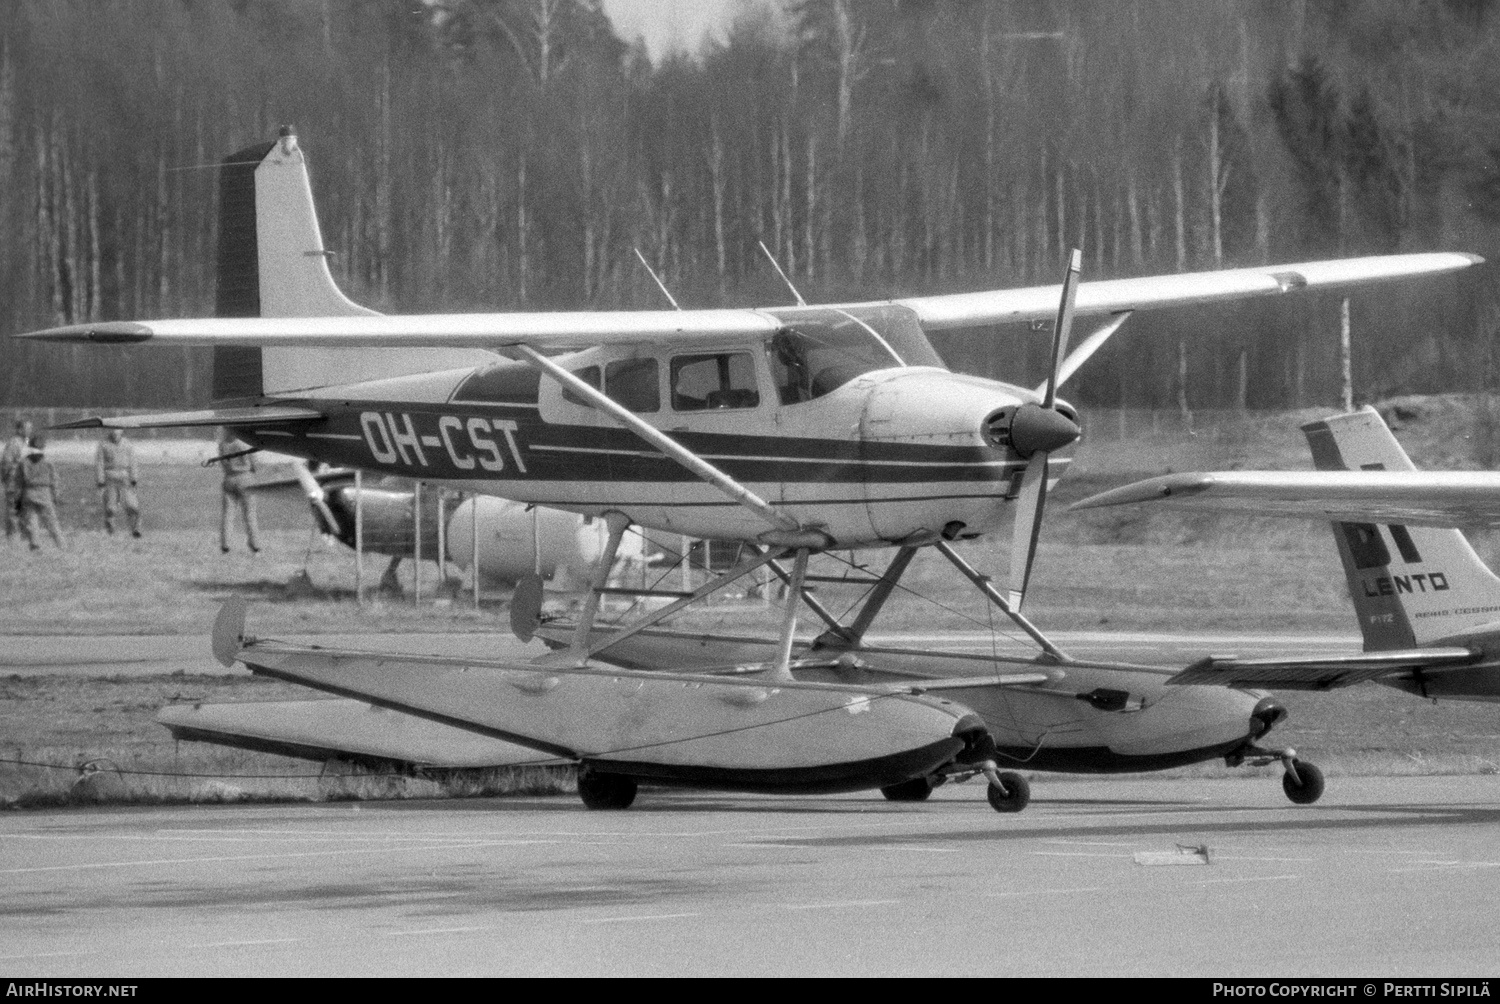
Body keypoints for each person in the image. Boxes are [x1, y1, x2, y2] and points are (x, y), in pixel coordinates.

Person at [218, 429, 261, 554]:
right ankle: (255, 546)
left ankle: (225, 546)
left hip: (229, 478)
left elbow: (223, 464)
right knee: (250, 514)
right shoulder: (245, 443)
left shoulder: (223, 444)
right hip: (245, 478)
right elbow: (255, 464)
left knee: (228, 514)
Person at [18, 436, 64, 550]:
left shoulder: (24, 462)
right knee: (51, 521)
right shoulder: (48, 461)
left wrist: (17, 497)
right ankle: (61, 545)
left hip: (29, 492)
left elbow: (19, 480)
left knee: (31, 520)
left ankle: (35, 544)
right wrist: (56, 495)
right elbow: (54, 479)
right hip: (44, 492)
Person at [94, 428, 142, 537]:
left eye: (117, 432)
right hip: (110, 477)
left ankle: (135, 529)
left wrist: (134, 478)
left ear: (121, 432)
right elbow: (100, 463)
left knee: (132, 505)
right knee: (110, 507)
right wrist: (100, 481)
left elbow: (133, 462)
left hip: (125, 477)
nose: (115, 435)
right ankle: (111, 529)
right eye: (113, 432)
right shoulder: (103, 444)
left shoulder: (128, 445)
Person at [2, 418, 32, 540]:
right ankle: (12, 537)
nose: (30, 430)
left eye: (31, 428)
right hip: (14, 483)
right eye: (27, 428)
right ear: (20, 430)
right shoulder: (14, 443)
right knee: (13, 511)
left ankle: (23, 536)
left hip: (23, 483)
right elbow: (6, 463)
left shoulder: (26, 442)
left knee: (24, 510)